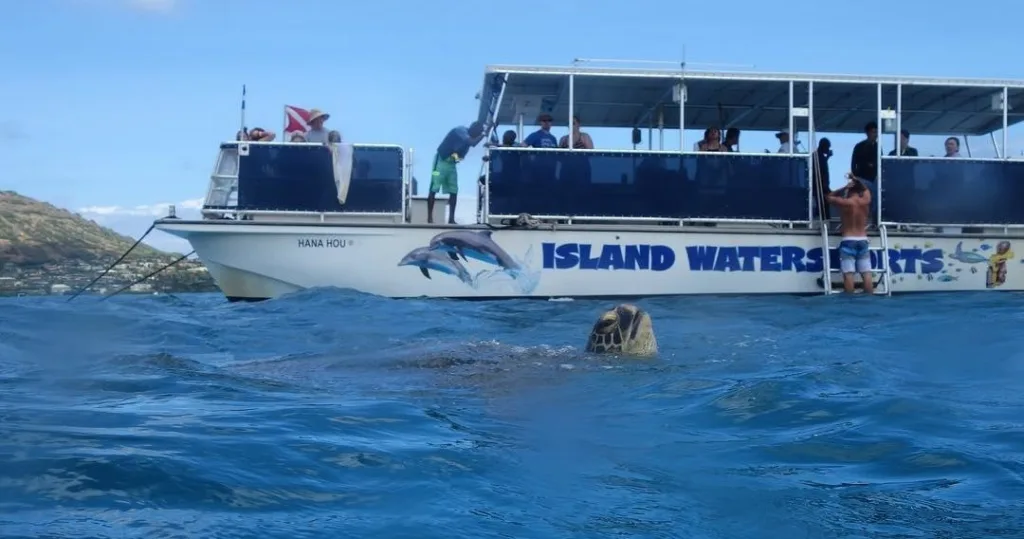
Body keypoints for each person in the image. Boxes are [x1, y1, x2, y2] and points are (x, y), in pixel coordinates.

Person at [428, 121, 488, 224]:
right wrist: (484, 133)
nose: (476, 136)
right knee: (434, 187)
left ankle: (451, 219)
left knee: (454, 190)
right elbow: (473, 143)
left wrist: (456, 156)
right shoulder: (461, 130)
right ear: (473, 129)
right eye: (477, 133)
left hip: (451, 165)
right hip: (440, 162)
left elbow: (460, 158)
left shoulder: (467, 146)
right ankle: (429, 218)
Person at [826, 173, 874, 295]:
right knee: (867, 273)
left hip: (848, 240)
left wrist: (844, 188)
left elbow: (828, 197)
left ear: (849, 191)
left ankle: (850, 300)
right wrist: (856, 180)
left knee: (848, 274)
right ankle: (870, 298)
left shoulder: (845, 202)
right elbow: (866, 190)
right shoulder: (865, 200)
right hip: (863, 239)